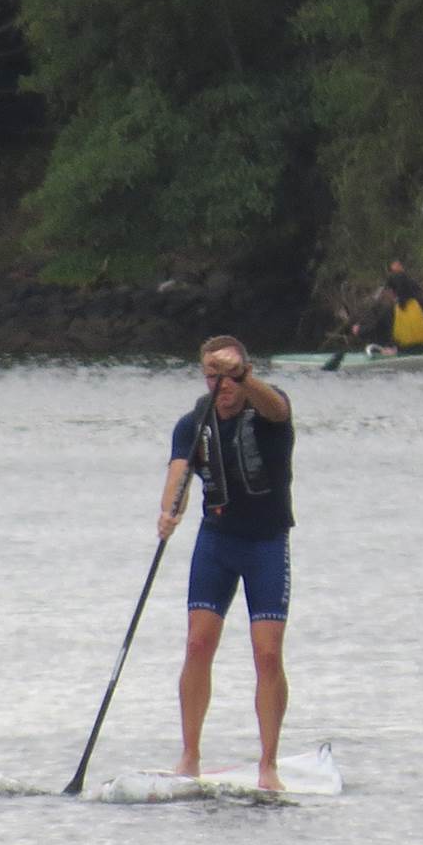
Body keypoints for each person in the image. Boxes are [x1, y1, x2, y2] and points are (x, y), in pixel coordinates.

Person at [157, 336, 294, 790]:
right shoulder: (193, 423)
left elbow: (278, 410)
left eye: (230, 377)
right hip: (217, 541)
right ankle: (190, 755)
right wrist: (168, 510)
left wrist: (244, 374)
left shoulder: (270, 411)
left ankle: (268, 764)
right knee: (197, 645)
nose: (222, 387)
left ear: (245, 373)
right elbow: (179, 470)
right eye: (213, 377)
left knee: (267, 654)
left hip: (266, 545)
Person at [350, 260, 423, 354]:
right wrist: (400, 272)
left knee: (379, 341)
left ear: (392, 291)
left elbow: (376, 328)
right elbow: (406, 281)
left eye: (387, 290)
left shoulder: (391, 311)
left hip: (401, 353)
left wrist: (359, 330)